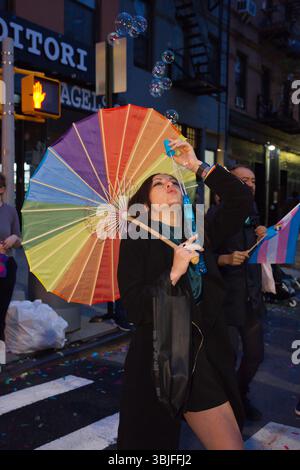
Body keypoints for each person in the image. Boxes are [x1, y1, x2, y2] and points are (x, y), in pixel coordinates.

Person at [117, 140, 253, 450]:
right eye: (158, 183)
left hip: (205, 354)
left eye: (173, 181)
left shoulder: (199, 229)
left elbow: (241, 200)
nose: (168, 184)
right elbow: (136, 309)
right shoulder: (136, 240)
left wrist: (196, 165)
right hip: (161, 357)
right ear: (146, 202)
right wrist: (174, 273)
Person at [207, 165, 266, 421]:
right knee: (226, 359)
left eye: (253, 180)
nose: (250, 184)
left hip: (251, 298)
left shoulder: (252, 212)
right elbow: (199, 258)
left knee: (255, 355)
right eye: (243, 180)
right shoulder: (212, 216)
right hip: (225, 301)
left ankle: (241, 395)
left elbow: (256, 251)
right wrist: (225, 259)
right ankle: (229, 408)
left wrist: (263, 235)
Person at [0, 173, 22, 365]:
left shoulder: (10, 211)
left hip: (6, 267)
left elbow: (19, 240)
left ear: (2, 190)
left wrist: (14, 239)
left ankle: (0, 360)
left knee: (0, 315)